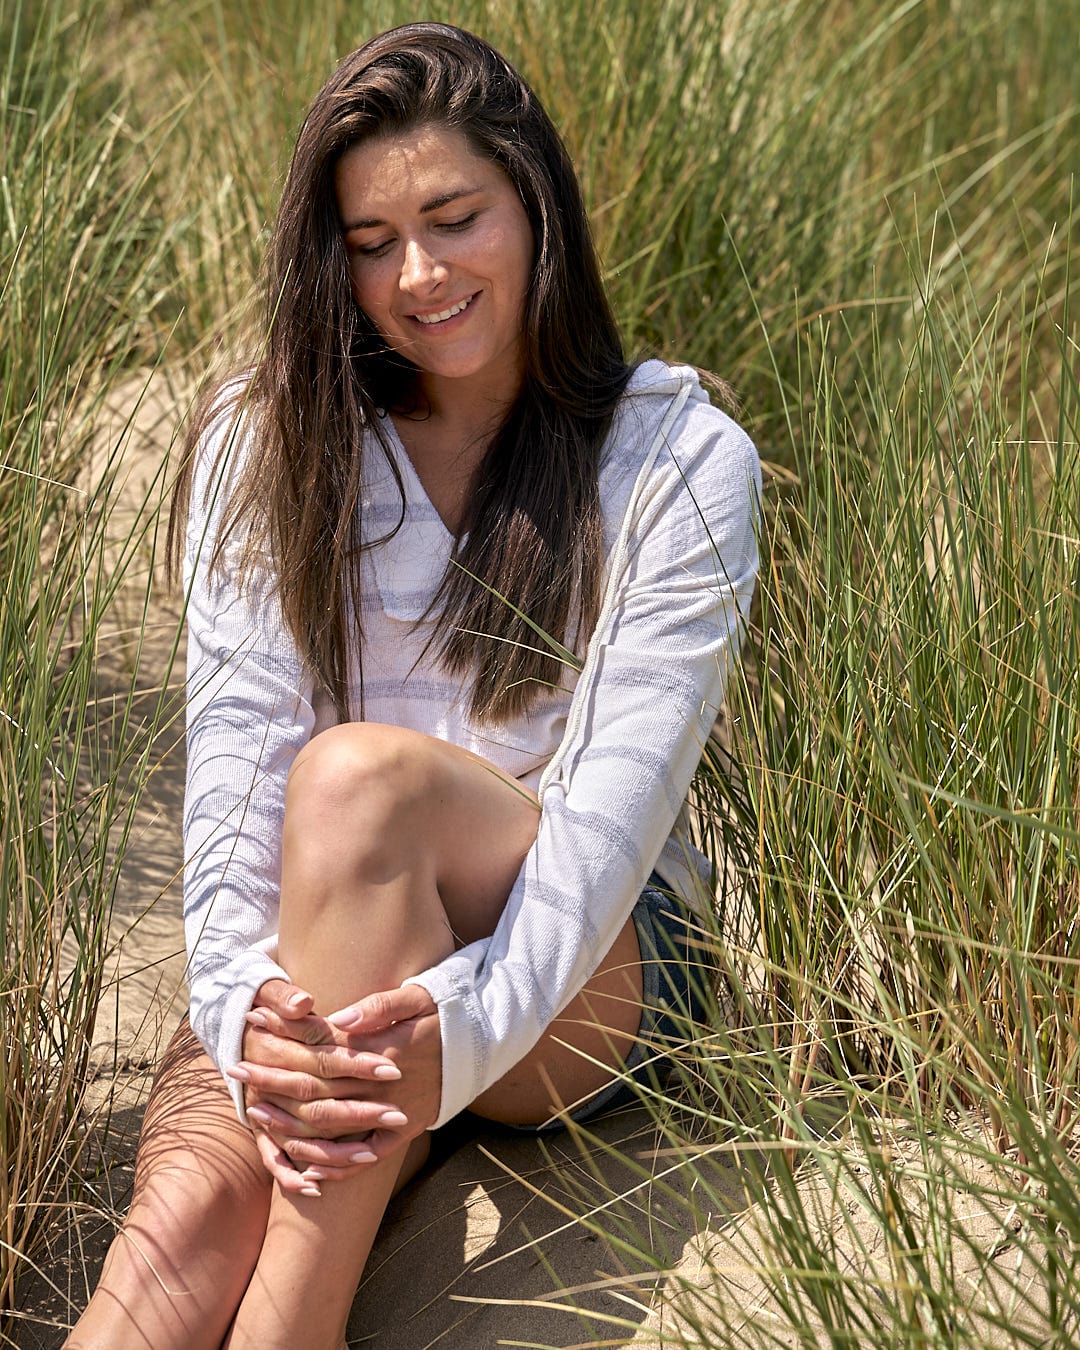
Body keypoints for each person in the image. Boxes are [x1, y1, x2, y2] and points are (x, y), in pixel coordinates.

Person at [68, 21, 760, 1350]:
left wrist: (450, 1027)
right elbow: (233, 770)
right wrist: (238, 1006)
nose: (419, 275)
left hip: (588, 973)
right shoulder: (267, 434)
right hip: (336, 946)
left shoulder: (678, 457)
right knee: (172, 1241)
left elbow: (612, 829)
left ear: (537, 209)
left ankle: (296, 1327)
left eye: (455, 217)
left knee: (361, 780)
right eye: (371, 241)